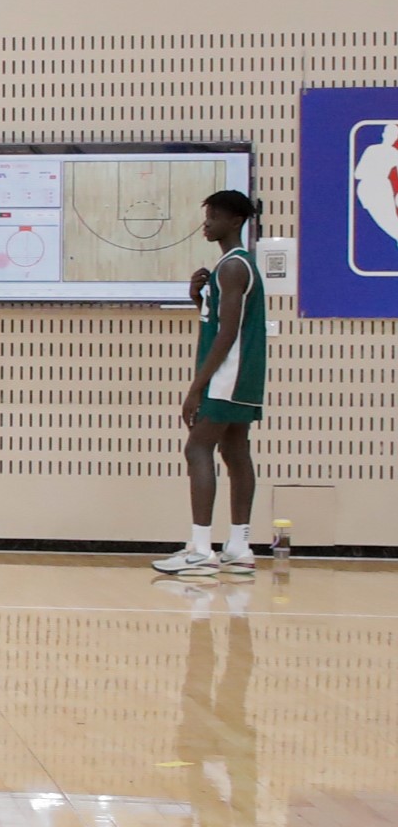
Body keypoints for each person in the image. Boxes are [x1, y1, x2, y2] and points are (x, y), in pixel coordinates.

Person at [153, 189, 266, 578]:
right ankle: (239, 546)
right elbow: (221, 321)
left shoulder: (233, 267)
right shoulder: (233, 267)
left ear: (235, 221)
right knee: (236, 452)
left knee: (197, 448)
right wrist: (197, 300)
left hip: (227, 378)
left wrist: (196, 386)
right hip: (245, 378)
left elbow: (228, 332)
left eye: (214, 216)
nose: (207, 222)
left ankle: (201, 549)